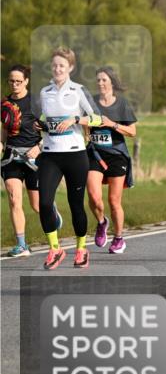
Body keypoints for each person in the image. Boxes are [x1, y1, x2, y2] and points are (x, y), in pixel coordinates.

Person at [37, 47, 103, 270]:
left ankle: (81, 249)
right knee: (44, 202)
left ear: (70, 68)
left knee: (76, 205)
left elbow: (97, 118)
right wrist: (42, 124)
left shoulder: (78, 90)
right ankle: (55, 249)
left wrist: (76, 118)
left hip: (75, 154)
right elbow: (44, 118)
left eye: (62, 66)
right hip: (50, 154)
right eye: (55, 65)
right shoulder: (44, 92)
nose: (57, 69)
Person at [85, 66, 138, 254]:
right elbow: (83, 120)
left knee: (114, 201)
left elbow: (132, 131)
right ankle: (101, 222)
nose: (100, 83)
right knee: (93, 196)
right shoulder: (90, 101)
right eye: (98, 80)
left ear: (112, 83)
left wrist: (112, 124)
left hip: (116, 155)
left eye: (104, 80)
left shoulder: (122, 104)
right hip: (94, 153)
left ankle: (118, 238)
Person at [1, 65, 42, 257]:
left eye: (18, 81)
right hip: (11, 157)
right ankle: (22, 245)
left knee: (37, 205)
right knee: (14, 199)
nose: (15, 84)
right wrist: (1, 144)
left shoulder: (37, 102)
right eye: (11, 81)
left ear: (26, 81)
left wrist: (39, 147)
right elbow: (4, 130)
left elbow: (51, 129)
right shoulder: (4, 104)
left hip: (34, 157)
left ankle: (52, 217)